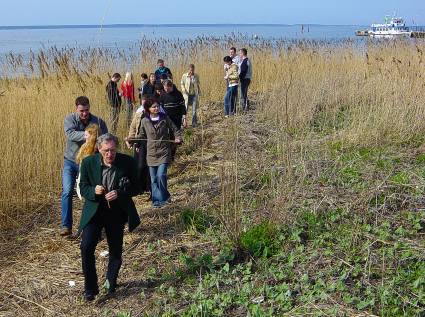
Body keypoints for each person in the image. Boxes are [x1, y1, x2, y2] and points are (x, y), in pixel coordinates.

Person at [79, 133, 140, 301]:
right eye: (106, 151)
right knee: (86, 247)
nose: (110, 154)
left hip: (116, 212)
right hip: (95, 211)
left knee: (115, 250)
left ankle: (110, 282)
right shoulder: (87, 163)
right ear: (99, 149)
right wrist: (93, 191)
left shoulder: (128, 162)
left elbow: (137, 187)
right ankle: (90, 288)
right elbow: (83, 187)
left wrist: (120, 193)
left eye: (113, 150)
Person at [61, 96, 108, 237]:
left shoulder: (98, 121)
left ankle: (91, 226)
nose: (84, 113)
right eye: (81, 111)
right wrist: (86, 135)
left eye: (87, 110)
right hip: (70, 161)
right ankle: (66, 226)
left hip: (88, 164)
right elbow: (70, 134)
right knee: (67, 191)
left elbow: (105, 138)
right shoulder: (69, 119)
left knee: (90, 194)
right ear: (76, 108)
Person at [137, 98, 182, 207]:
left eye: (157, 106)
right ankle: (157, 201)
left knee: (161, 175)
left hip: (164, 152)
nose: (156, 108)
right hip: (151, 154)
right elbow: (141, 136)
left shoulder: (165, 118)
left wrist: (178, 138)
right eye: (153, 107)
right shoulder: (144, 121)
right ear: (148, 109)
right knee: (153, 179)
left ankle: (163, 200)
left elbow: (175, 129)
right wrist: (133, 141)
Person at [125, 96, 151, 195]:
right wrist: (130, 140)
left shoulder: (154, 114)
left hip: (150, 143)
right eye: (143, 103)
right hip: (139, 142)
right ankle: (138, 187)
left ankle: (148, 187)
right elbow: (133, 127)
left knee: (148, 166)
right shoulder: (139, 114)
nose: (144, 106)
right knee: (139, 166)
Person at [76, 123, 101, 200]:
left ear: (92, 136)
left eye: (86, 135)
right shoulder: (84, 147)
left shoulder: (98, 150)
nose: (84, 137)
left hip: (93, 185)